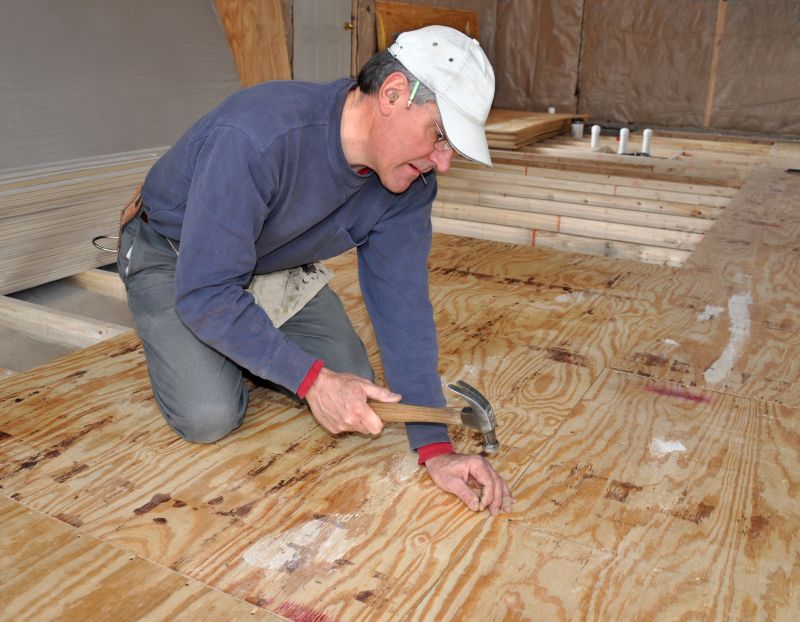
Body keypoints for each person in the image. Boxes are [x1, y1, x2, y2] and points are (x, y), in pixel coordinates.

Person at [118, 25, 513, 515]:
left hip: (274, 259)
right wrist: (310, 381)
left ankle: (245, 344)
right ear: (393, 94)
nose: (444, 162)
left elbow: (403, 308)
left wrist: (435, 448)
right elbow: (205, 290)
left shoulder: (409, 185)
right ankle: (233, 347)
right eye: (440, 135)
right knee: (210, 414)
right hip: (178, 255)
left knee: (358, 386)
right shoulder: (258, 135)